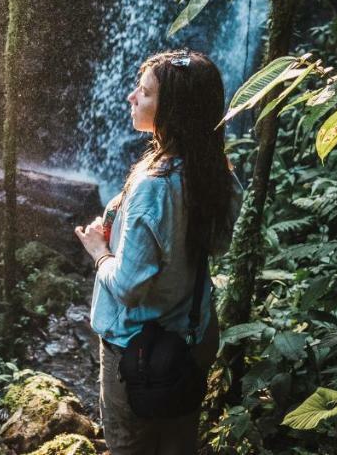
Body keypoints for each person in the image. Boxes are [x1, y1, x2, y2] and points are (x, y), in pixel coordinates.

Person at [74, 49, 245, 455]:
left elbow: (130, 286)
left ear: (174, 109)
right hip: (194, 336)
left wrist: (100, 251)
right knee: (179, 442)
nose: (131, 97)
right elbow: (217, 245)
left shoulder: (154, 186)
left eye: (144, 93)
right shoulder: (214, 170)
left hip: (140, 352)